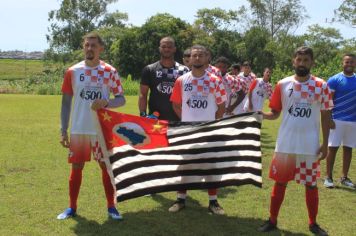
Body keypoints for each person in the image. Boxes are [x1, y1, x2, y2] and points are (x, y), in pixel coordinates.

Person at [259, 46, 332, 236]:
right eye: (299, 60)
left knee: (311, 185)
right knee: (280, 183)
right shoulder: (282, 84)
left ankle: (313, 223)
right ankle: (272, 220)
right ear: (293, 61)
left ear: (312, 62)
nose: (302, 63)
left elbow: (326, 116)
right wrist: (262, 115)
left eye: (306, 60)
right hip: (286, 144)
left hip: (309, 146)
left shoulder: (321, 85)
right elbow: (275, 113)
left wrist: (325, 144)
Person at [57, 32, 126, 220]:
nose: (89, 48)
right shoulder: (73, 71)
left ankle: (111, 206)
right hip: (79, 128)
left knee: (106, 167)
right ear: (83, 47)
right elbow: (65, 103)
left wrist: (106, 102)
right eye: (87, 45)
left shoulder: (109, 71)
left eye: (93, 45)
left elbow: (121, 99)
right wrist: (63, 130)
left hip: (100, 129)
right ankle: (72, 207)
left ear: (101, 48)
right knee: (77, 167)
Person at [169, 45, 227, 215]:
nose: (197, 58)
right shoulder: (182, 80)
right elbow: (176, 104)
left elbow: (222, 106)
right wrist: (187, 121)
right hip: (188, 131)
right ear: (189, 59)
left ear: (207, 59)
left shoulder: (215, 81)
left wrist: (211, 124)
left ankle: (213, 202)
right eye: (194, 55)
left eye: (201, 55)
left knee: (210, 166)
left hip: (208, 131)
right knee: (184, 165)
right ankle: (180, 199)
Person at [324, 53, 356, 188]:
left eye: (352, 62)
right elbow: (328, 101)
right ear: (342, 63)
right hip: (337, 119)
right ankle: (328, 178)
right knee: (333, 148)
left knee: (348, 149)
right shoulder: (334, 79)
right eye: (347, 62)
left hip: (353, 121)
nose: (349, 64)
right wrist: (329, 118)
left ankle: (344, 177)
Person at [139, 36, 189, 121]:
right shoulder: (150, 69)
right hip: (155, 120)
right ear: (159, 48)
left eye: (169, 47)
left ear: (174, 49)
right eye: (164, 47)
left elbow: (189, 96)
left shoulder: (184, 70)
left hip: (179, 120)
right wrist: (143, 115)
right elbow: (143, 95)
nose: (166, 49)